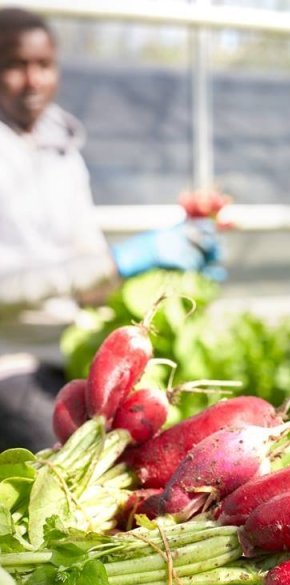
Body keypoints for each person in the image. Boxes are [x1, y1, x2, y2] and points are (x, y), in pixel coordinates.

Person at [0, 7, 223, 450]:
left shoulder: (62, 151)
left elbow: (92, 286)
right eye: (14, 65)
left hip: (70, 354)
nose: (33, 81)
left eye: (44, 66)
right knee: (63, 466)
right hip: (11, 363)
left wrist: (167, 261)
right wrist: (117, 261)